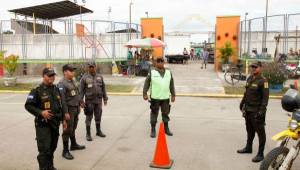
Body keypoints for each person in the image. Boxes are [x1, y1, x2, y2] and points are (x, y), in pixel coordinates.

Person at [25, 68, 64, 170]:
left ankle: (50, 166)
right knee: (44, 149)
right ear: (44, 76)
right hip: (43, 125)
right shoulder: (37, 90)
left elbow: (60, 106)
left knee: (52, 147)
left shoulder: (56, 89)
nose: (52, 77)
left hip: (55, 124)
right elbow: (28, 105)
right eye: (49, 75)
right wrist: (41, 112)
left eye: (53, 75)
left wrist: (63, 120)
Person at [237, 61, 269, 163]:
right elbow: (246, 93)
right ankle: (248, 147)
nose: (253, 68)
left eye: (255, 67)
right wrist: (242, 103)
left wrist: (262, 111)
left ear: (260, 68)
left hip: (257, 111)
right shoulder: (250, 78)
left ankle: (260, 154)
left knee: (260, 132)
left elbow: (265, 99)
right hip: (248, 110)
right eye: (252, 67)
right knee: (249, 130)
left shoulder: (263, 81)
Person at [143, 57, 176, 138]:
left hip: (165, 97)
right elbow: (147, 82)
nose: (160, 63)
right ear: (156, 63)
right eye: (158, 61)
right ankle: (153, 129)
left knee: (165, 113)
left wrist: (173, 94)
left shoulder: (168, 72)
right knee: (154, 113)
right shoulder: (152, 71)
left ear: (164, 62)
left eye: (162, 61)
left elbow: (171, 84)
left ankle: (166, 128)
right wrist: (144, 93)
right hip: (155, 97)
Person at [58, 64, 85, 160]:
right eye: (70, 70)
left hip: (75, 108)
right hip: (68, 110)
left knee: (73, 127)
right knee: (67, 130)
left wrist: (81, 102)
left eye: (73, 70)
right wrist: (65, 113)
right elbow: (62, 100)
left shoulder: (73, 81)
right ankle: (65, 151)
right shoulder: (62, 83)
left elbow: (76, 93)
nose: (72, 72)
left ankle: (73, 144)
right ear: (65, 72)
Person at [80, 62, 108, 141]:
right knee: (89, 117)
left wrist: (105, 98)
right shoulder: (84, 78)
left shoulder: (100, 77)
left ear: (95, 67)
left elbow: (103, 88)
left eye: (93, 67)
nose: (91, 68)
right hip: (89, 101)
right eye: (90, 67)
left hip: (98, 101)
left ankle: (98, 131)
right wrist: (81, 101)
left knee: (98, 116)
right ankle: (88, 134)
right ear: (88, 68)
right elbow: (81, 91)